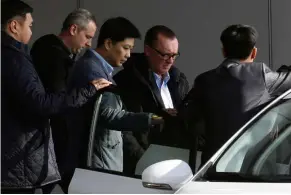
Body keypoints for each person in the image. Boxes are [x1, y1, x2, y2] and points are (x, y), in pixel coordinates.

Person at [1, 1, 111, 193]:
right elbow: (42, 103)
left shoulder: (19, 56)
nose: (88, 44)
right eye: (30, 25)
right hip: (16, 159)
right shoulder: (18, 58)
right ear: (14, 26)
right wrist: (87, 91)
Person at [180, 24, 291, 167]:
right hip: (251, 171)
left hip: (211, 170)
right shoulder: (262, 75)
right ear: (254, 52)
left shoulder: (203, 80)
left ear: (224, 51)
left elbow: (186, 113)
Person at [67, 17, 164, 173]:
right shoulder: (92, 71)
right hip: (98, 164)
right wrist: (152, 118)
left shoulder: (96, 68)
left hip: (100, 160)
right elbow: (108, 115)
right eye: (125, 48)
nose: (128, 55)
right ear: (108, 44)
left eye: (131, 49)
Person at [30, 8, 98, 192]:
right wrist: (90, 89)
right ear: (73, 29)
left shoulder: (52, 52)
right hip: (52, 144)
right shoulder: (53, 57)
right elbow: (59, 101)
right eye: (88, 36)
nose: (89, 44)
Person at [113, 25, 190, 176]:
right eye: (165, 55)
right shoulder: (126, 81)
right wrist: (144, 161)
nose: (170, 61)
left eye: (174, 55)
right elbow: (124, 130)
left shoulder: (179, 80)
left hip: (174, 166)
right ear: (148, 51)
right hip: (142, 169)